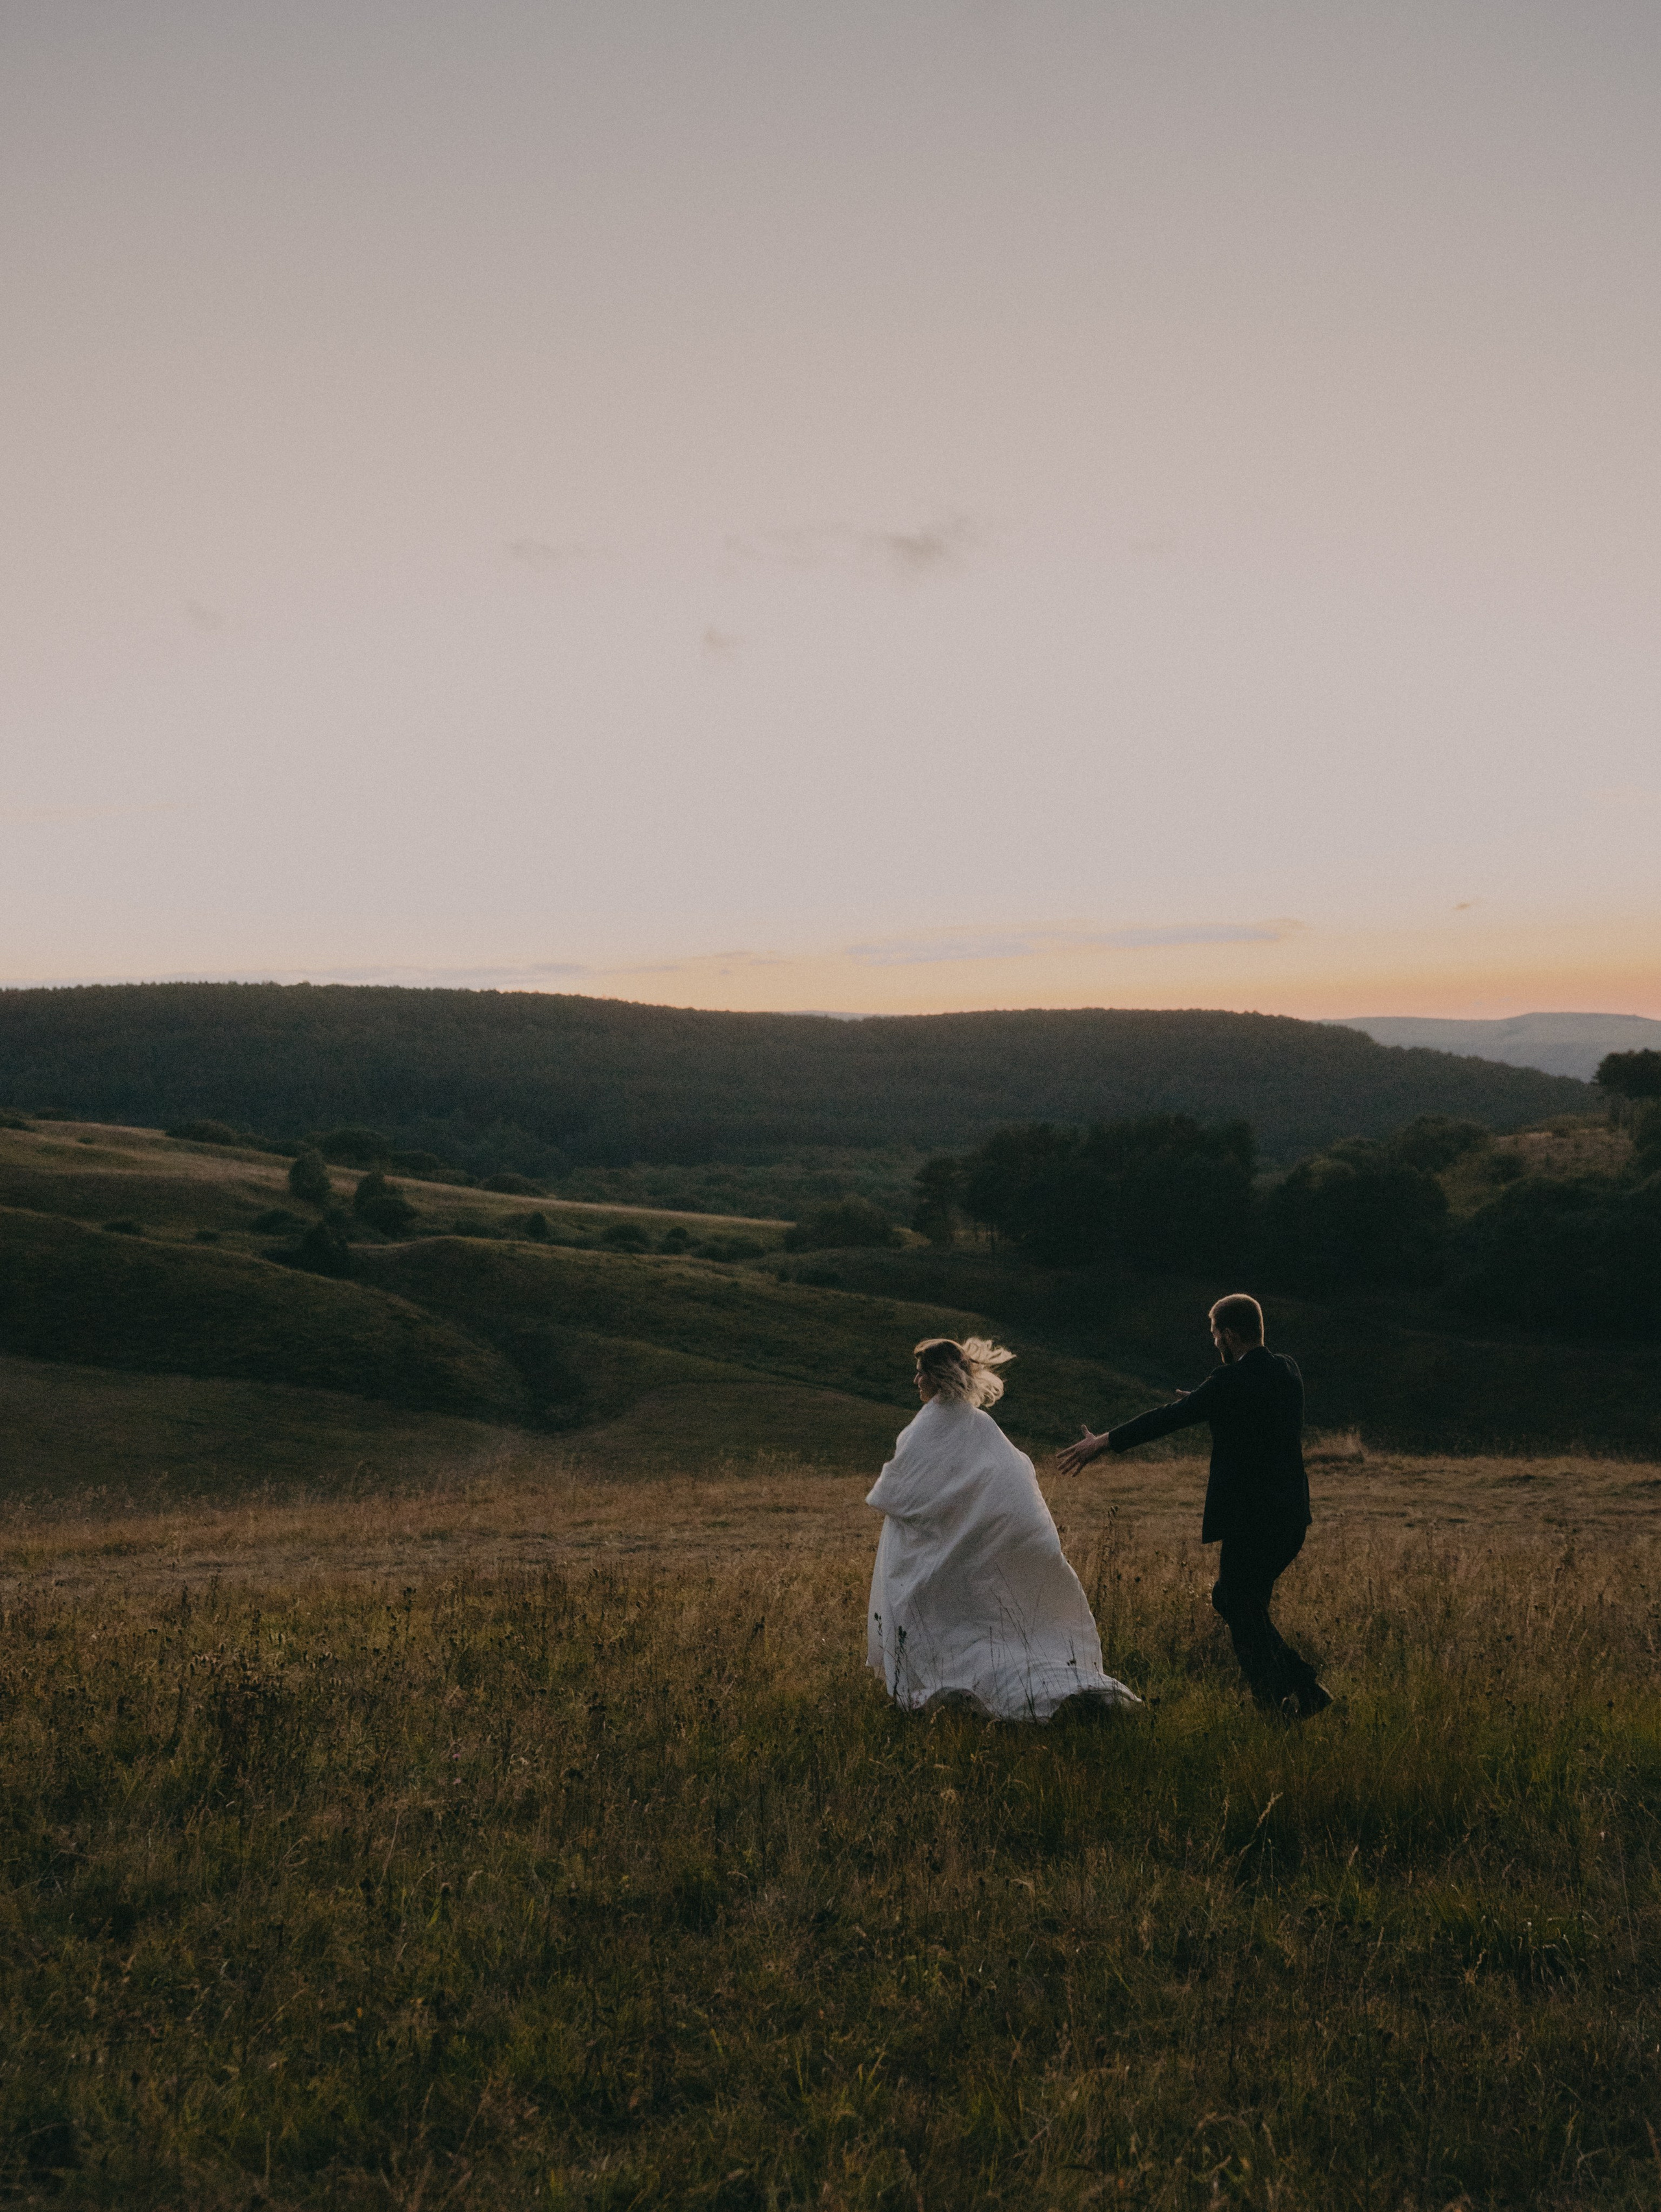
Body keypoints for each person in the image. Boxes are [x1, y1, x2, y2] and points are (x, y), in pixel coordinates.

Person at [1056, 1294, 1331, 1720]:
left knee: (1236, 1602)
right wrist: (1208, 1400)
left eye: (1215, 1334)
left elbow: (1167, 1418)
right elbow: (1257, 1413)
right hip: (1291, 1517)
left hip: (1252, 1521)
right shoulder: (1286, 1372)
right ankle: (1291, 1696)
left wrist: (1104, 1443)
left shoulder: (1227, 1384)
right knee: (1242, 1604)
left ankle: (1291, 1696)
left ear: (1229, 1334)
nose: (1214, 1342)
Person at [866, 1336, 1139, 1720]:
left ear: (936, 1375)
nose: (916, 1382)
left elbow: (900, 1494)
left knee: (934, 1616)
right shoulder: (981, 1424)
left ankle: (951, 1686)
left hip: (941, 1549)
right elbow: (1009, 1481)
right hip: (973, 1544)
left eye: (920, 1373)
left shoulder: (928, 1426)